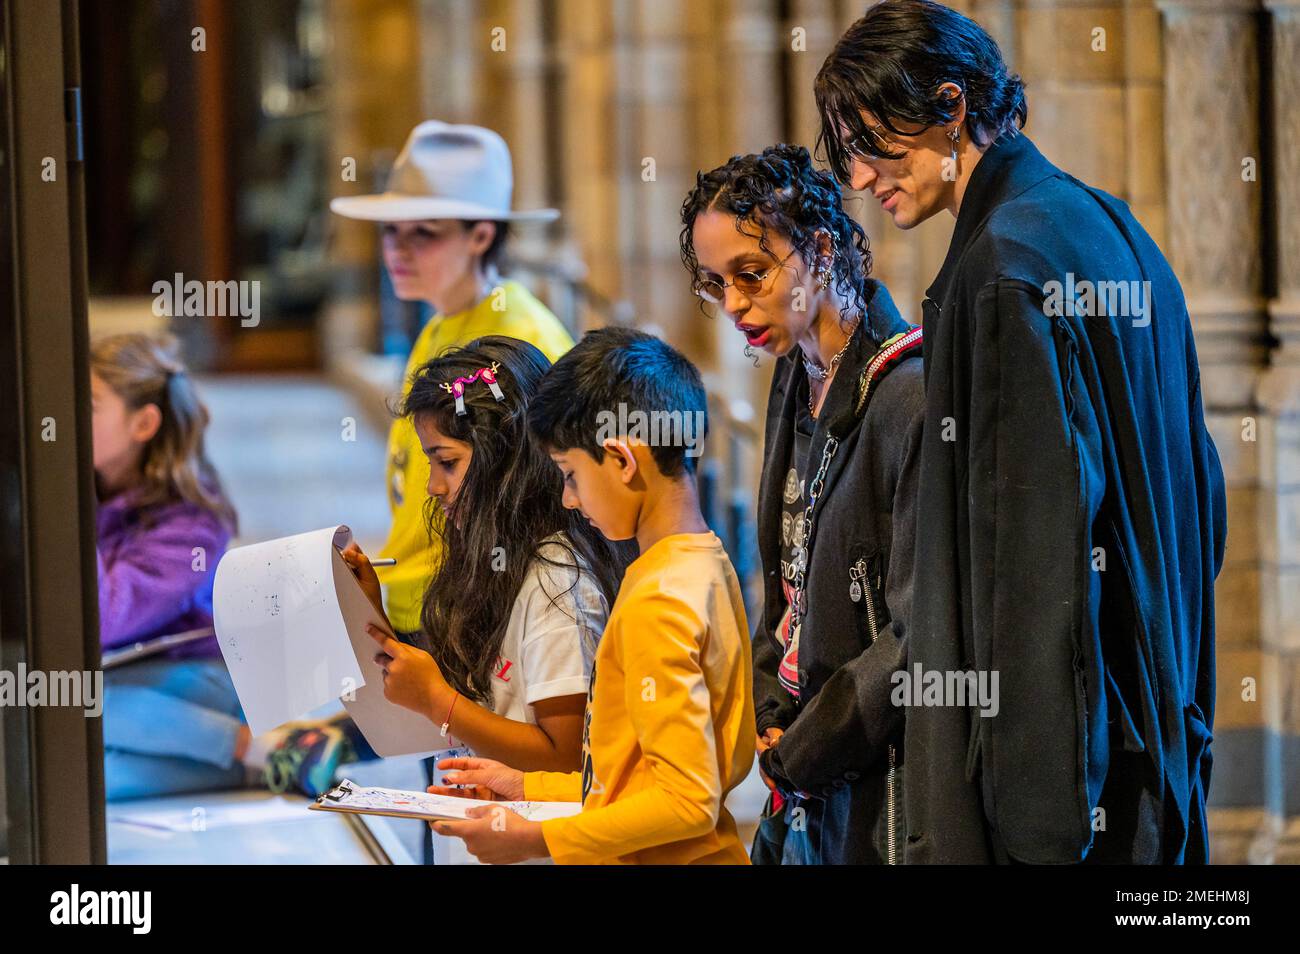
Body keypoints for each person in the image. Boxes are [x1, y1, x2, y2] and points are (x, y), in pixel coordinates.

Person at [815, 0, 1227, 863]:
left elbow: (1031, 575)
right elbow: (1203, 497)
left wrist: (1033, 825)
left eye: (867, 143)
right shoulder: (1108, 227)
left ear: (950, 105)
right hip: (1152, 741)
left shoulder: (1002, 271)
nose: (857, 179)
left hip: (1068, 797)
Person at [426, 328, 756, 865]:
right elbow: (632, 779)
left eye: (571, 474)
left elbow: (685, 802)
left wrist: (535, 838)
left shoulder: (660, 599)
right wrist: (527, 788)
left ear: (622, 460)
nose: (568, 498)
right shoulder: (703, 561)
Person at [681, 144, 924, 864]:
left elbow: (918, 627)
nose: (732, 305)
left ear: (820, 251)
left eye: (751, 275)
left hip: (879, 782)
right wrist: (767, 701)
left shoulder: (909, 394)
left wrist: (810, 744)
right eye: (715, 283)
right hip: (802, 773)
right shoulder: (794, 371)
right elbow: (787, 569)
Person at [341, 337, 625, 865]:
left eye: (447, 462)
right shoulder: (494, 566)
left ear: (506, 459)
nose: (432, 486)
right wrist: (367, 612)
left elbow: (564, 761)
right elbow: (436, 715)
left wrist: (440, 702)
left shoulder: (556, 581)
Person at [330, 120, 574, 640]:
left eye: (424, 232)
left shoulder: (522, 337)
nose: (397, 249)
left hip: (466, 620)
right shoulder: (439, 324)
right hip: (413, 603)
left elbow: (542, 505)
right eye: (391, 230)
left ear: (481, 235)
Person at [92, 333, 245, 799]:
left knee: (66, 701)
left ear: (143, 423)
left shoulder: (191, 520)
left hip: (201, 686)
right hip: (126, 684)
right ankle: (265, 763)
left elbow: (100, 620)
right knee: (81, 779)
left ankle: (246, 748)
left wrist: (61, 504)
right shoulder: (102, 488)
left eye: (90, 404)